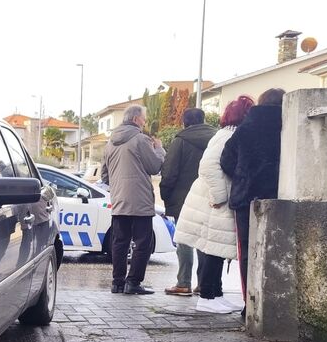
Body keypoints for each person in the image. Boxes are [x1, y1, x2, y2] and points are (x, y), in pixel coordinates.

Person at [174, 95, 255, 313]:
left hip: (212, 198)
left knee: (215, 247)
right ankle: (207, 298)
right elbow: (208, 166)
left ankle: (214, 295)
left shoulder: (227, 134)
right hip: (214, 200)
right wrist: (220, 197)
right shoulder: (227, 136)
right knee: (213, 247)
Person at [220, 88, 285, 309]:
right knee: (279, 250)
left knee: (247, 251)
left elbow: (226, 160)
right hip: (281, 196)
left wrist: (242, 175)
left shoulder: (245, 128)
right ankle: (275, 302)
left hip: (246, 197)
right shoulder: (289, 126)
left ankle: (250, 303)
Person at [101, 104, 166, 294]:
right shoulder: (140, 140)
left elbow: (105, 176)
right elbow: (154, 167)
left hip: (119, 200)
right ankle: (133, 283)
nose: (145, 122)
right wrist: (160, 150)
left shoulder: (110, 143)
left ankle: (117, 283)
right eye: (144, 118)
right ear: (137, 119)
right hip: (140, 201)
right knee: (142, 243)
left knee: (119, 243)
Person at [160, 108, 216, 296]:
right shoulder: (215, 139)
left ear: (185, 122)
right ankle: (203, 283)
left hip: (183, 199)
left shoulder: (180, 141)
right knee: (204, 241)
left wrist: (166, 195)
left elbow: (169, 173)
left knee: (184, 239)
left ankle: (183, 282)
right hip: (209, 197)